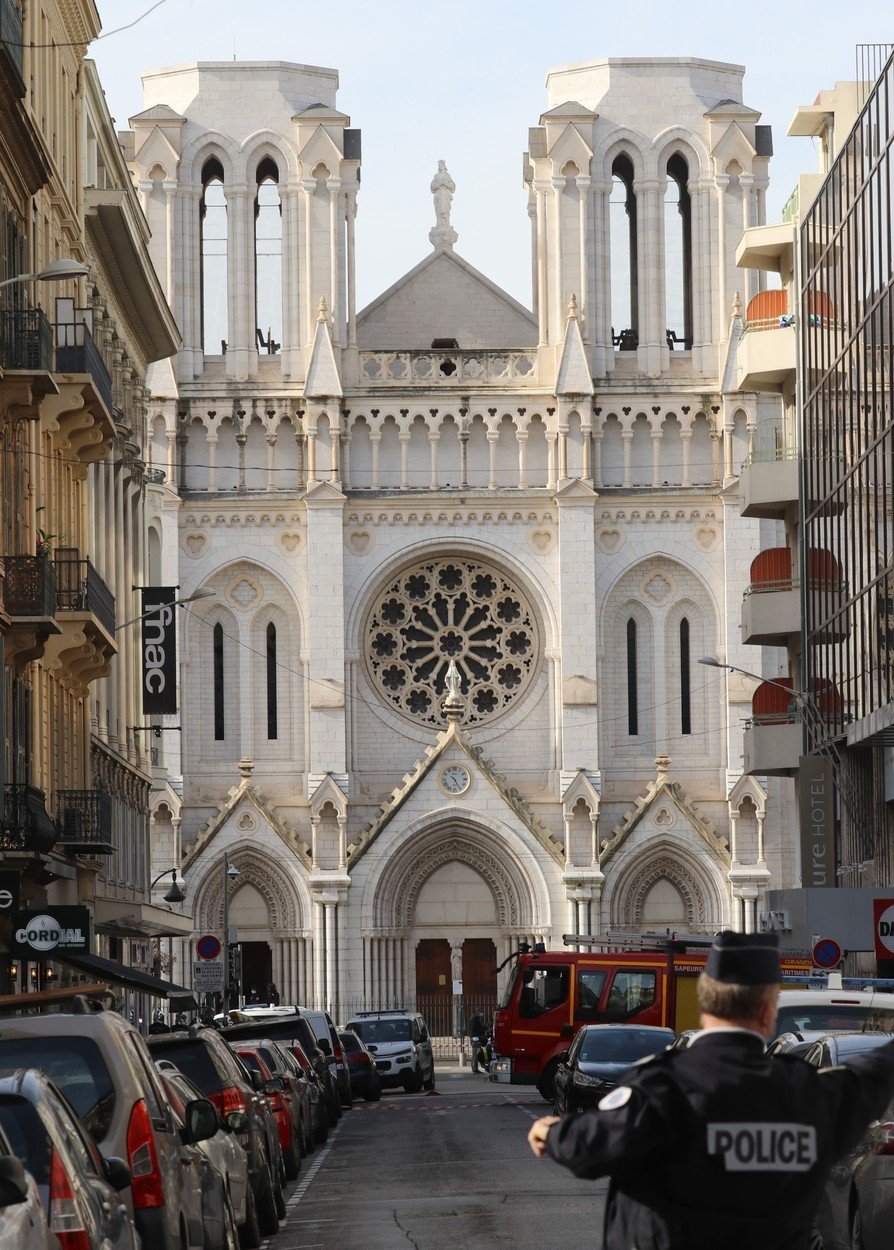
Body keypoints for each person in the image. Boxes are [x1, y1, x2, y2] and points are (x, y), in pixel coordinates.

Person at [528, 931, 894, 1250]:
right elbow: (875, 1072)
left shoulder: (661, 1090)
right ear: (768, 1011)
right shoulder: (811, 1096)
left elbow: (592, 1147)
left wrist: (551, 1133)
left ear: (704, 1003)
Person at [467, 1010, 486, 1074]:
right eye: (481, 1012)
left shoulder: (475, 1018)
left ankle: (475, 1068)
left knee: (475, 1054)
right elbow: (476, 1029)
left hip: (475, 1037)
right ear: (478, 1012)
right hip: (475, 1038)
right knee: (475, 1054)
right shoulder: (474, 1019)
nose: (482, 1014)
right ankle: (474, 1068)